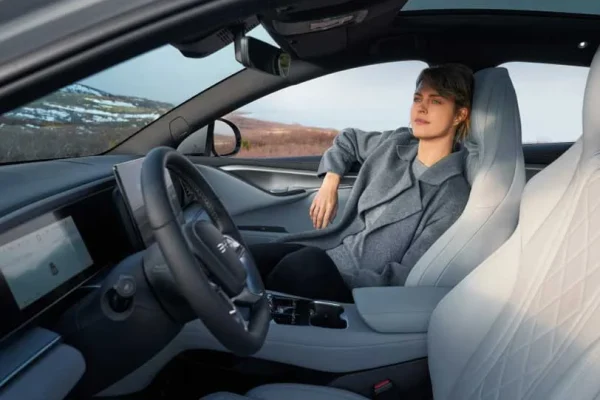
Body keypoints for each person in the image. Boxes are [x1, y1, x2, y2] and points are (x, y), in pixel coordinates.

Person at [250, 63, 474, 303]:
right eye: (418, 99)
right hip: (331, 249)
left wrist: (349, 282)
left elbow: (408, 274)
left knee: (300, 264)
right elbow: (348, 140)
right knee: (245, 256)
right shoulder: (396, 142)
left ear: (459, 115)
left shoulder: (452, 196)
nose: (422, 107)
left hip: (355, 283)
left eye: (436, 101)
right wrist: (330, 182)